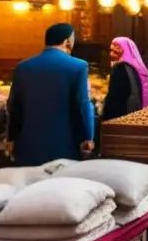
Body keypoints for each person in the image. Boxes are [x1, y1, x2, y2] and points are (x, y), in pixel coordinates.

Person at [7, 23, 94, 166]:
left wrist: (11, 138)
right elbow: (82, 104)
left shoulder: (23, 66)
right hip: (64, 142)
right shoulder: (78, 66)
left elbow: (14, 105)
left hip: (28, 143)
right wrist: (87, 137)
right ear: (67, 41)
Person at [101, 37, 148, 122]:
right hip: (139, 116)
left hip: (122, 118)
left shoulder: (121, 69)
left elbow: (115, 98)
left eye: (115, 51)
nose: (111, 54)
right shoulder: (138, 67)